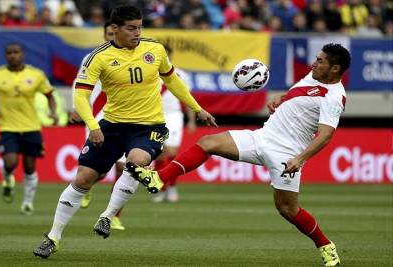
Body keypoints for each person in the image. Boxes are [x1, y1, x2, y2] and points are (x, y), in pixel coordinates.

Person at [127, 43, 350, 267]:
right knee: (207, 142)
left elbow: (325, 135)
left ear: (335, 69)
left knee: (287, 209)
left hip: (287, 154)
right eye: (317, 58)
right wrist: (281, 99)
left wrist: (300, 159)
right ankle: (159, 178)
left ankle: (325, 245)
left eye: (321, 61)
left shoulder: (334, 98)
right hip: (262, 137)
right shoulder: (313, 76)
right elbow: (300, 93)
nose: (314, 63)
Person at [33, 5, 216, 259]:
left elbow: (173, 81)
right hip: (113, 125)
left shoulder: (155, 49)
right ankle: (53, 237)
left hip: (150, 125)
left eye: (139, 27)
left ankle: (107, 216)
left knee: (136, 163)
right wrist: (94, 126)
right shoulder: (99, 57)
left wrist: (198, 109)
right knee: (83, 179)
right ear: (115, 29)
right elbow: (81, 96)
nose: (137, 33)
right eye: (131, 28)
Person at [69, 21, 126, 231]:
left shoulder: (132, 55)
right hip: (96, 118)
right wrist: (77, 107)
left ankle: (114, 215)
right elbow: (80, 85)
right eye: (109, 34)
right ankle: (88, 185)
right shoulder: (93, 57)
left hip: (124, 118)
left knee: (124, 169)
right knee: (98, 172)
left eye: (115, 32)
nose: (112, 36)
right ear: (104, 35)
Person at [0, 43, 58, 215]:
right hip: (8, 127)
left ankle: (28, 202)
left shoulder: (36, 75)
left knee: (29, 167)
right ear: (5, 55)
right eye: (9, 53)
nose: (13, 56)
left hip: (31, 127)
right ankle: (7, 179)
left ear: (23, 54)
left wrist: (53, 112)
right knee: (10, 162)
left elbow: (50, 95)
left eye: (16, 52)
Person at [153, 44, 197, 203]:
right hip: (154, 116)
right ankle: (162, 189)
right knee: (159, 153)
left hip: (173, 115)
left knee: (171, 151)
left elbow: (187, 98)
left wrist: (191, 120)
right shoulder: (150, 73)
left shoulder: (180, 75)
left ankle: (172, 187)